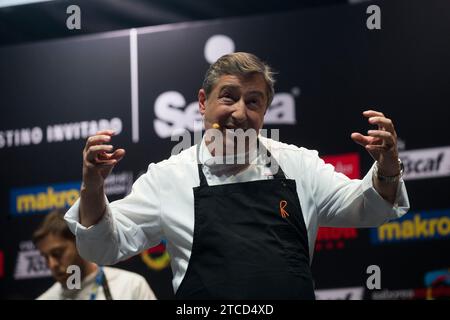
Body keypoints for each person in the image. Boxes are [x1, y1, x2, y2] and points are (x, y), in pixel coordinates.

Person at [65, 52, 409, 299]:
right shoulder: (168, 178)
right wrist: (93, 186)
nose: (239, 113)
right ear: (203, 102)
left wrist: (388, 167)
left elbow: (370, 209)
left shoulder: (299, 165)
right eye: (228, 97)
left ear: (265, 111)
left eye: (254, 102)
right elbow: (104, 246)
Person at [33, 209, 157, 300]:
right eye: (45, 257)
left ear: (79, 244)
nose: (52, 264)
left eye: (57, 253)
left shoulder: (131, 286)